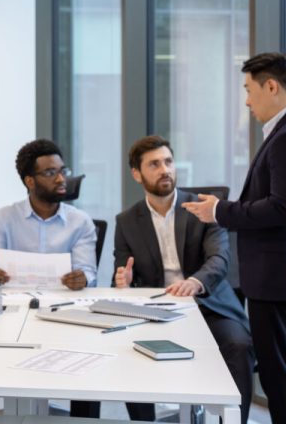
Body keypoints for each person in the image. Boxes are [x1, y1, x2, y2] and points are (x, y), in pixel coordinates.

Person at [183, 52, 286, 424]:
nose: (247, 101)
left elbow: (285, 209)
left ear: (271, 86)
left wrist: (220, 211)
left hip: (282, 279)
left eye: (249, 90)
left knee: (279, 376)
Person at [114, 135, 255, 424]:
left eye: (168, 161)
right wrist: (123, 280)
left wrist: (196, 281)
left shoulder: (202, 208)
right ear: (136, 174)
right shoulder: (126, 220)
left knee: (238, 345)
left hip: (208, 304)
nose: (165, 169)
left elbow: (219, 259)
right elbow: (121, 271)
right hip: (157, 310)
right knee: (124, 349)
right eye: (154, 164)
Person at [0, 139, 97, 416]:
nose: (62, 178)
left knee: (88, 354)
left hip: (65, 316)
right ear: (30, 180)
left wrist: (82, 279)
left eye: (63, 170)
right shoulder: (4, 218)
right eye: (51, 173)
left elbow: (89, 273)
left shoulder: (80, 222)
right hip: (13, 316)